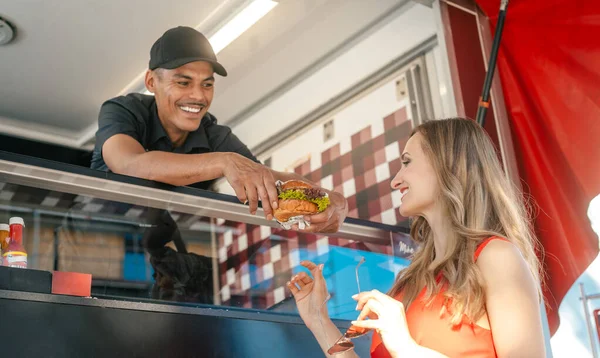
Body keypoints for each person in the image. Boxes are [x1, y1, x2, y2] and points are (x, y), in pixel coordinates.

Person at [287, 118, 546, 357]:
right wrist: (319, 319)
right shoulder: (408, 281)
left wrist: (406, 348)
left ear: (449, 164)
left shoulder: (496, 257)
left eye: (407, 162)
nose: (395, 181)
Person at [90, 26, 347, 233]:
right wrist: (223, 161)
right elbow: (129, 164)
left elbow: (267, 180)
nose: (198, 96)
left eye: (207, 84)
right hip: (90, 234)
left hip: (158, 251)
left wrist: (330, 199)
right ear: (151, 82)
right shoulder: (123, 110)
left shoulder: (214, 134)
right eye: (183, 82)